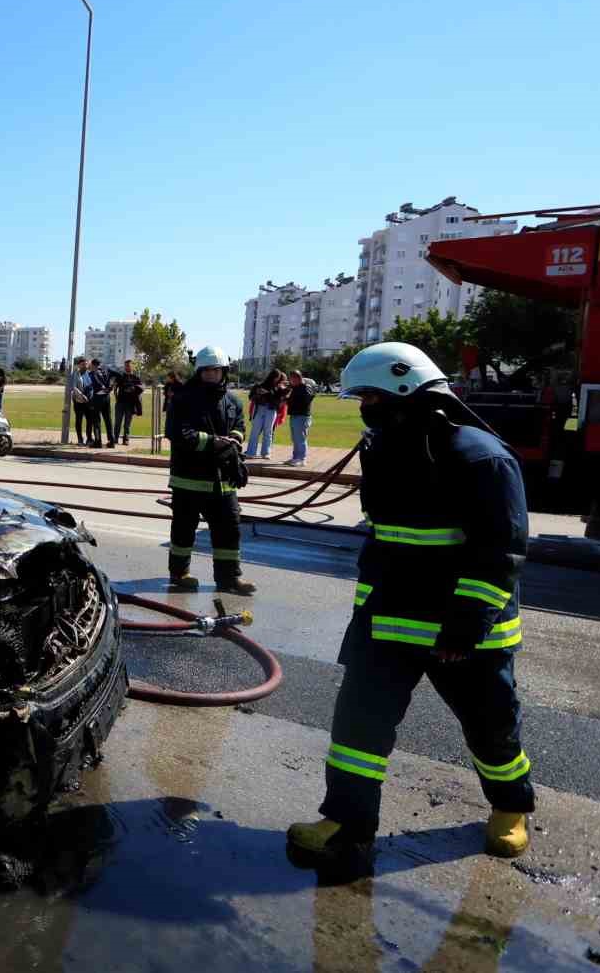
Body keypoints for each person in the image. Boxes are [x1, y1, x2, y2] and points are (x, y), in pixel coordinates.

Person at [287, 342, 533, 874]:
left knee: (491, 728)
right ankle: (346, 822)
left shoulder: (481, 457)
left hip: (464, 633)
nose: (363, 408)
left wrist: (467, 623)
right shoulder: (384, 449)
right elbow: (385, 538)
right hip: (388, 623)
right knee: (357, 730)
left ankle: (510, 806)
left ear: (408, 391)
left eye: (371, 398)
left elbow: (501, 551)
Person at [164, 346, 255, 595]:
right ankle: (179, 574)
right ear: (199, 372)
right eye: (207, 371)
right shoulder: (183, 399)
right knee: (183, 531)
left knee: (230, 530)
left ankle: (229, 579)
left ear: (224, 371)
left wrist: (233, 441)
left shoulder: (232, 401)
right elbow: (178, 433)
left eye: (216, 370)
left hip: (223, 482)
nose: (212, 375)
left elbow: (239, 427)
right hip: (188, 480)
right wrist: (213, 443)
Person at [245, 369, 286, 459]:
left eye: (278, 377)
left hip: (271, 410)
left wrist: (268, 394)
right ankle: (251, 452)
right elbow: (250, 397)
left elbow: (279, 401)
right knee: (255, 431)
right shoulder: (259, 385)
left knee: (268, 432)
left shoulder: (278, 388)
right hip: (259, 408)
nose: (276, 379)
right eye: (276, 377)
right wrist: (257, 394)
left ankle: (266, 452)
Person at [284, 369, 316, 467]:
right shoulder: (295, 388)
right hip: (295, 415)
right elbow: (293, 400)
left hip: (302, 416)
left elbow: (307, 400)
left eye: (292, 379)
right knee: (295, 438)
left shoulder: (305, 388)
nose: (290, 381)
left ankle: (302, 459)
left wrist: (289, 400)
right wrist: (287, 399)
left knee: (301, 438)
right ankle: (296, 458)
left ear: (297, 378)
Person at [113, 359, 145, 446]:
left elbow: (142, 388)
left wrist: (133, 389)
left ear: (132, 366)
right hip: (120, 403)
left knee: (127, 424)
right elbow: (115, 388)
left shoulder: (136, 377)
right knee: (117, 422)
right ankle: (115, 438)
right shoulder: (120, 376)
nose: (127, 367)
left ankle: (126, 439)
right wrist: (117, 398)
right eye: (126, 366)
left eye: (129, 366)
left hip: (130, 404)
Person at [86, 358, 114, 448]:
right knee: (108, 420)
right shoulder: (106, 372)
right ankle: (111, 441)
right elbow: (114, 378)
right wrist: (110, 388)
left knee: (96, 421)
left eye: (91, 365)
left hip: (97, 398)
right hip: (106, 397)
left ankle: (98, 441)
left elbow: (89, 386)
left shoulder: (91, 374)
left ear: (93, 365)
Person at [71, 357, 91, 444]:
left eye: (86, 364)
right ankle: (80, 439)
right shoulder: (75, 374)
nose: (85, 366)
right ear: (79, 365)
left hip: (88, 402)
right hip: (78, 401)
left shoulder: (89, 374)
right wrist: (82, 396)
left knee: (89, 420)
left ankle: (89, 439)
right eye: (83, 364)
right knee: (79, 420)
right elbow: (74, 387)